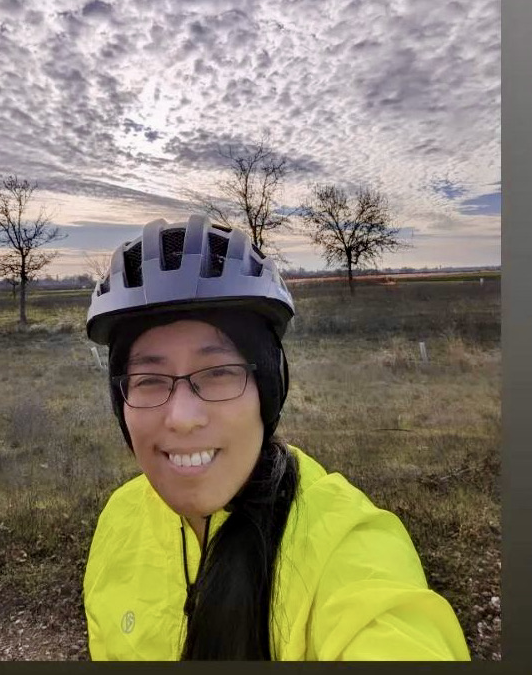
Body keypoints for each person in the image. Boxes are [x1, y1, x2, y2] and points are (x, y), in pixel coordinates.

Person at [83, 215, 471, 661]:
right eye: (150, 380)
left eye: (218, 373)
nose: (183, 419)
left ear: (269, 391)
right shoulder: (119, 519)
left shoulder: (345, 545)